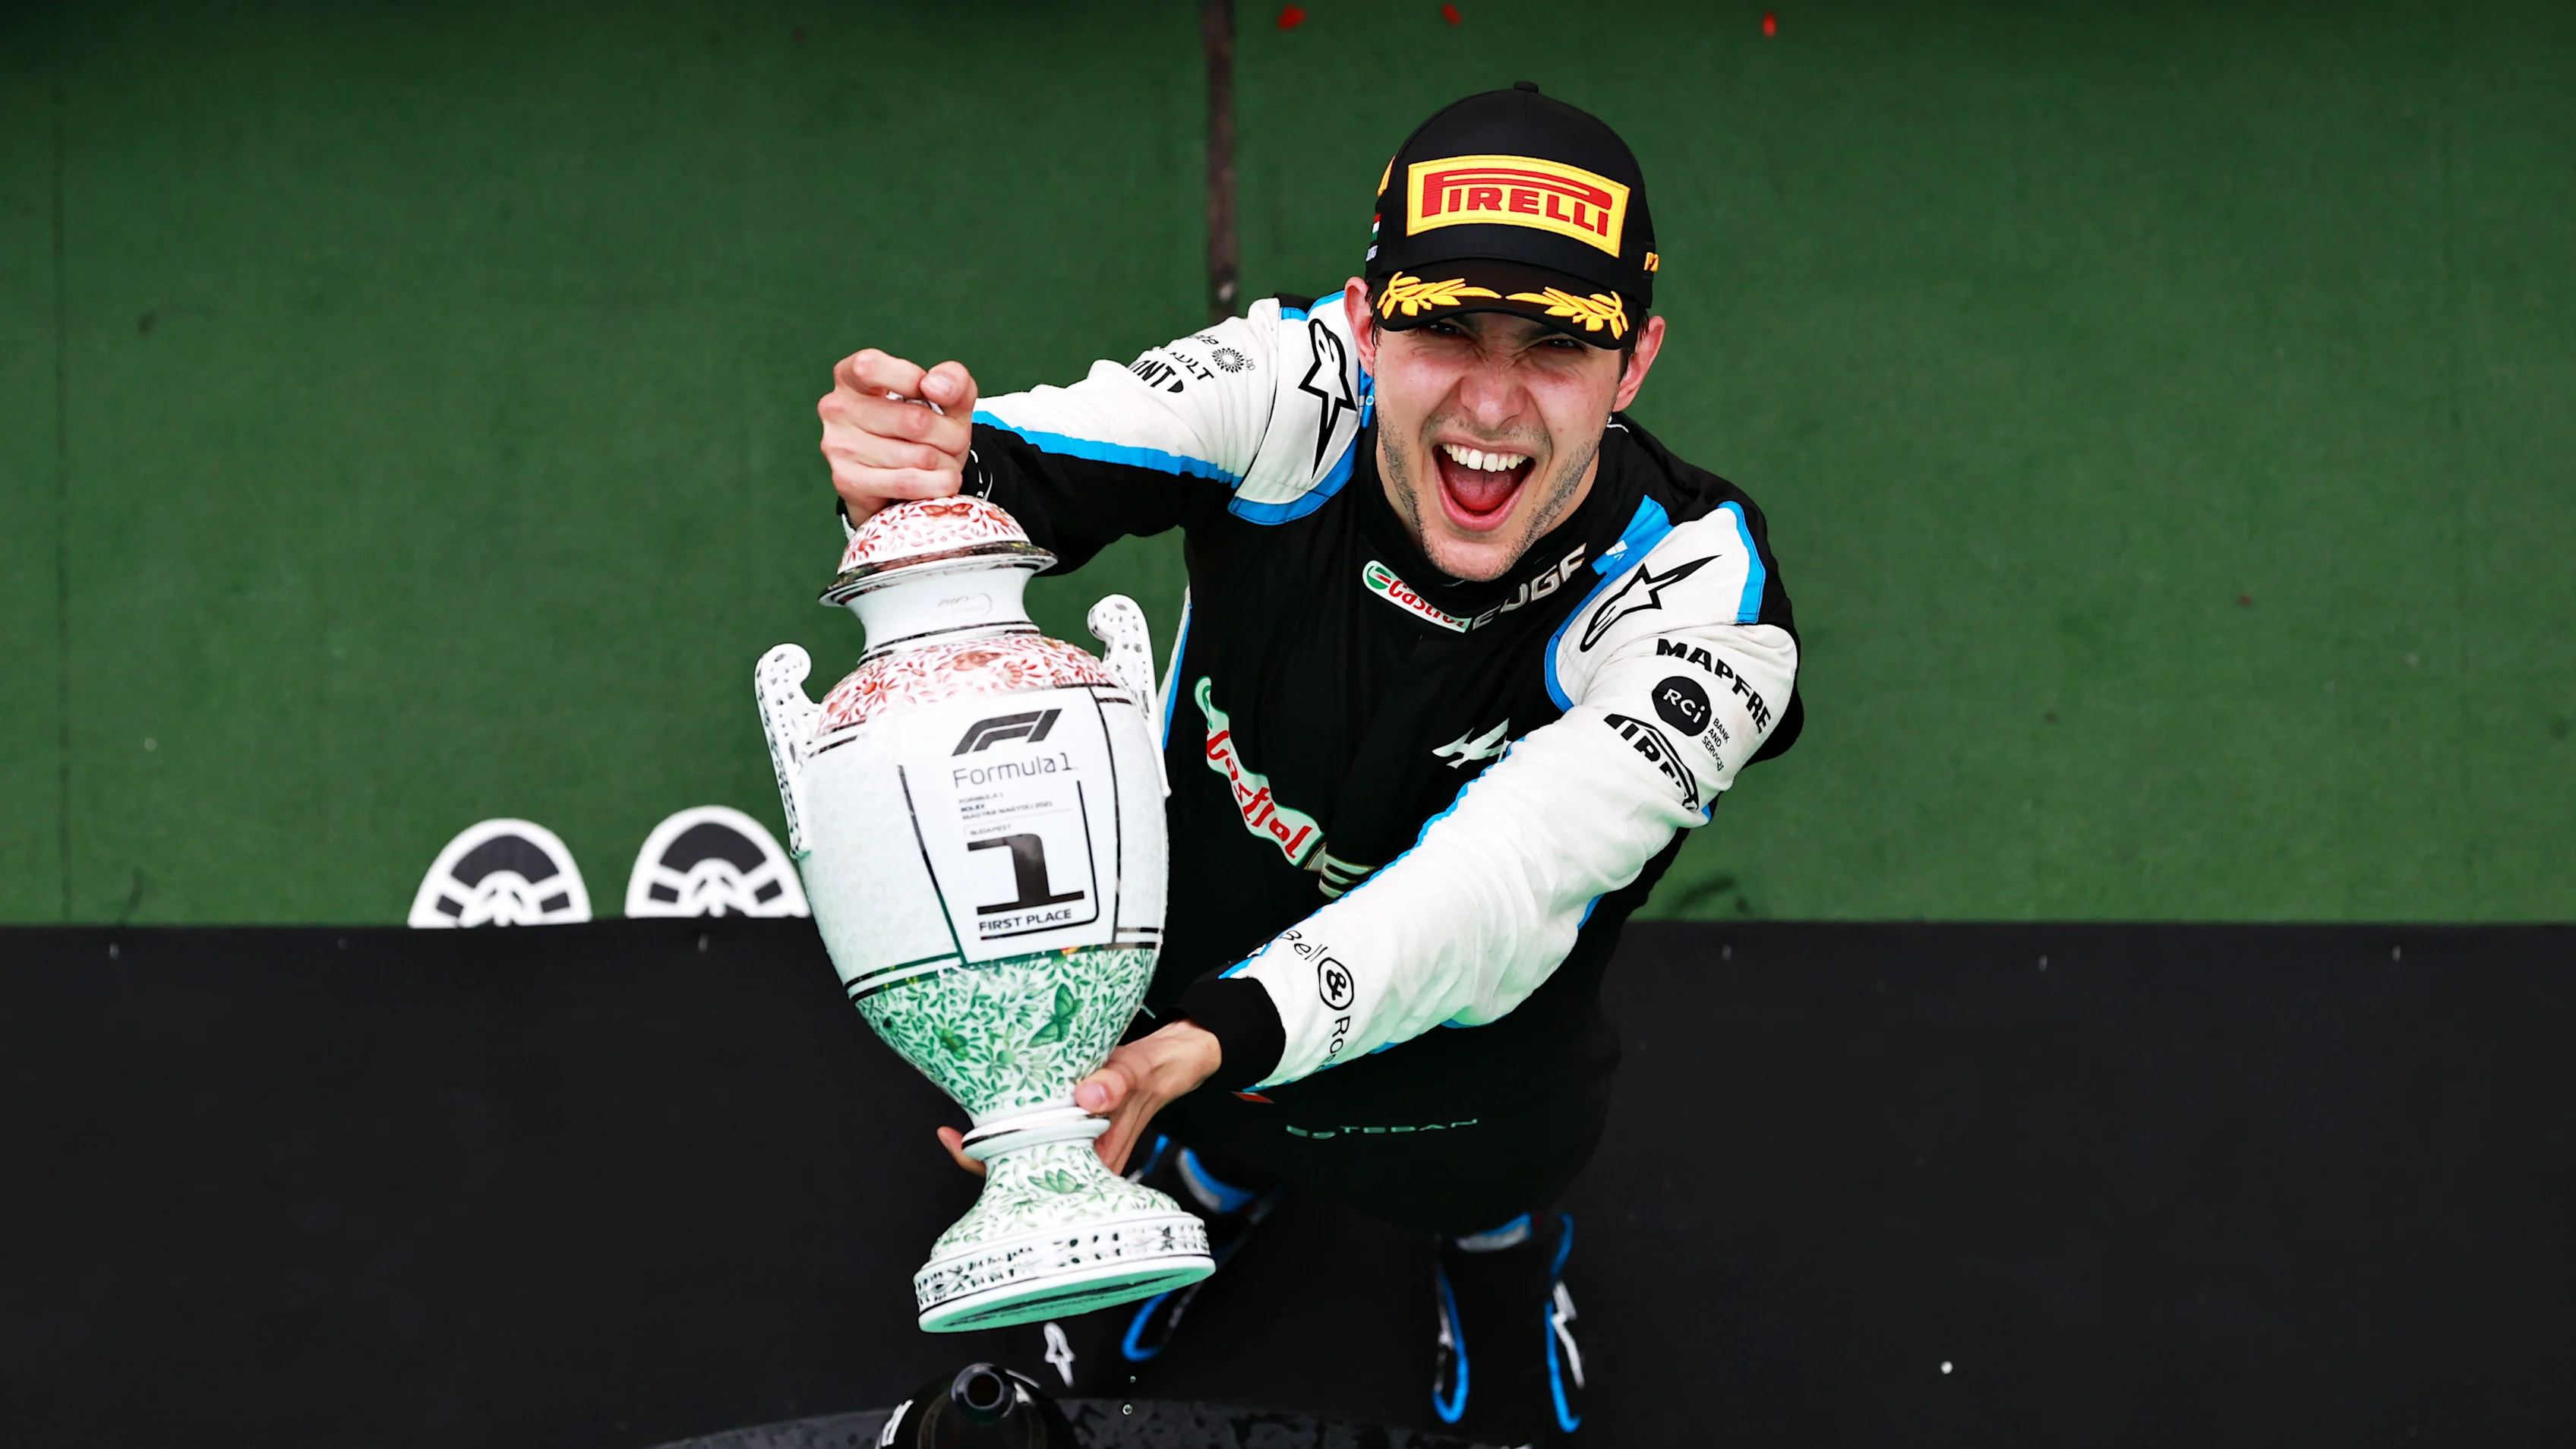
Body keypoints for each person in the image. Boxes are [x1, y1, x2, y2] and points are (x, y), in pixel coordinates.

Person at [817, 83, 1801, 1444]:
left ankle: (1501, 1271)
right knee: (1216, 1139)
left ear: (1632, 367)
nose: (1493, 405)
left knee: (1490, 1189)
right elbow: (1020, 460)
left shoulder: (1703, 591)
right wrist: (919, 462)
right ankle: (1217, 1188)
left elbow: (1501, 888)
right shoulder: (1289, 392)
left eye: (1558, 348)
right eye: (1444, 328)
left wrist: (1214, 1041)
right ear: (1363, 322)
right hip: (1185, 987)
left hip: (1464, 1058)